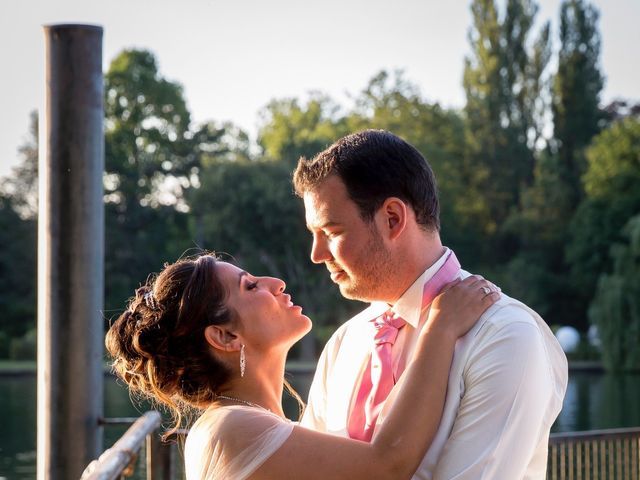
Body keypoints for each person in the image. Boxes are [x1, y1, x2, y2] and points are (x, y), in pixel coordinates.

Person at [293, 129, 569, 479]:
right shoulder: (344, 342)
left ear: (392, 218)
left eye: (331, 232)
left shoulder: (505, 335)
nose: (316, 255)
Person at [105, 254, 499, 480]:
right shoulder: (233, 428)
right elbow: (389, 463)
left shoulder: (248, 425)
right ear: (225, 337)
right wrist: (441, 328)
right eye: (249, 286)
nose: (275, 282)